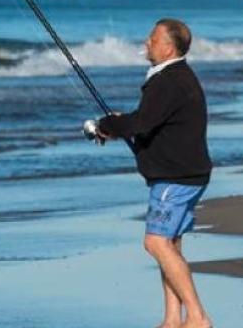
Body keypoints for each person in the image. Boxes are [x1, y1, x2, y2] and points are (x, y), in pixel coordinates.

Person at [91, 18, 214, 328]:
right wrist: (119, 124)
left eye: (153, 38)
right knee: (170, 245)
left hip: (177, 177)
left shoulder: (169, 81)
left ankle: (197, 318)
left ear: (169, 47)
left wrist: (107, 126)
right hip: (186, 174)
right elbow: (149, 120)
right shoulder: (176, 78)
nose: (147, 42)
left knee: (156, 243)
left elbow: (142, 123)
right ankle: (173, 319)